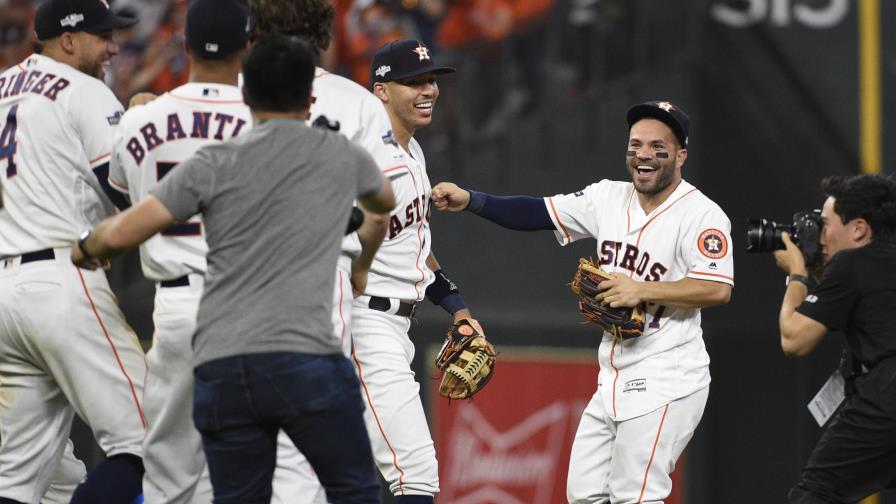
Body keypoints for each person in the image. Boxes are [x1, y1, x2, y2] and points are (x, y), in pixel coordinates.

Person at [72, 35, 396, 504]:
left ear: (246, 96)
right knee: (355, 491)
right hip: (305, 355)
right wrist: (361, 262)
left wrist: (86, 247)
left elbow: (122, 232)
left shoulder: (214, 161)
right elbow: (382, 206)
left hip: (225, 364)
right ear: (309, 97)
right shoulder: (337, 153)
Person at [432, 100, 734, 503]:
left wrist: (641, 289)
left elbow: (716, 288)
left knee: (636, 496)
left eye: (658, 147)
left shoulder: (701, 215)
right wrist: (471, 199)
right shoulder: (607, 198)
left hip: (669, 375)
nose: (644, 154)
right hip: (612, 375)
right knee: (585, 494)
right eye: (636, 144)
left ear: (680, 156)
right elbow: (537, 212)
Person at [247, 1, 411, 501]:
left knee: (236, 442)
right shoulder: (354, 100)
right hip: (321, 274)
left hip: (237, 277)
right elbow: (382, 206)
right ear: (324, 33)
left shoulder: (237, 94)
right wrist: (362, 266)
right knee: (305, 446)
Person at [0, 1, 147, 503]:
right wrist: (143, 129)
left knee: (19, 481)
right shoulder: (82, 88)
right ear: (67, 40)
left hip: (5, 292)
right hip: (62, 279)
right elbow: (127, 190)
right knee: (151, 441)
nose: (113, 46)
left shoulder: (1, 89)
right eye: (102, 35)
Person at [106, 1, 251, 503]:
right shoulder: (266, 122)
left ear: (184, 46)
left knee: (168, 477)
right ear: (246, 48)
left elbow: (123, 191)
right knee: (243, 468)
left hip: (175, 309)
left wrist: (140, 113)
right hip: (247, 306)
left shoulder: (142, 117)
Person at [355, 38, 481, 503]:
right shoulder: (365, 154)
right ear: (382, 90)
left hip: (389, 323)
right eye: (413, 82)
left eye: (431, 80)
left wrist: (457, 307)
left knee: (337, 479)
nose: (428, 90)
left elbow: (417, 250)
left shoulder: (412, 151)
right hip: (362, 322)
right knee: (416, 474)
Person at [772, 174, 896, 503]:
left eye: (824, 224)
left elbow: (794, 338)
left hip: (887, 396)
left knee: (816, 494)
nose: (819, 235)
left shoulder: (852, 262)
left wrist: (797, 274)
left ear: (858, 228)